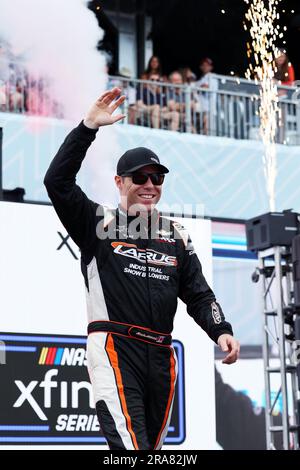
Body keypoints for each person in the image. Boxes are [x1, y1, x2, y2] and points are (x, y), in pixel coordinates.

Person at [44, 87, 240, 450]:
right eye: (140, 178)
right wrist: (88, 127)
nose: (149, 186)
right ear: (119, 183)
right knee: (129, 448)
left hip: (162, 357)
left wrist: (221, 330)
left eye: (157, 179)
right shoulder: (97, 223)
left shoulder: (175, 236)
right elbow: (57, 182)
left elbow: (198, 292)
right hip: (115, 347)